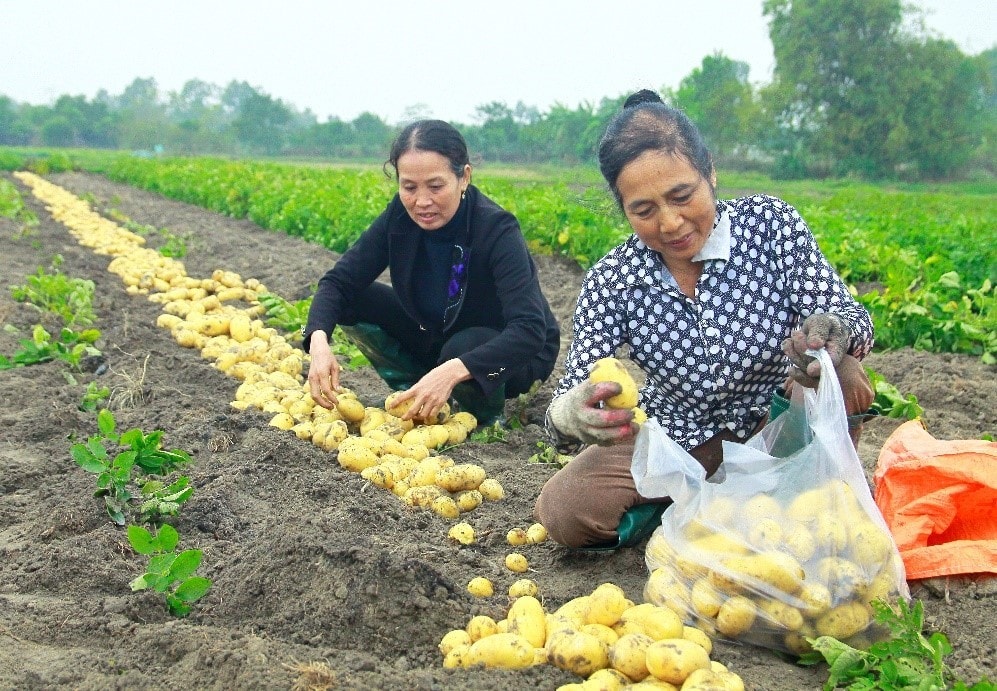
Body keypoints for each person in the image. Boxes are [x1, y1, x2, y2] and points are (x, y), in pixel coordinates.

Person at [533, 90, 875, 549]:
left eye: (682, 195)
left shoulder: (771, 226)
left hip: (775, 426)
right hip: (678, 439)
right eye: (644, 210)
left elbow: (850, 315)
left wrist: (835, 331)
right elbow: (572, 395)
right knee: (565, 510)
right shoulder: (614, 280)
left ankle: (813, 488)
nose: (671, 223)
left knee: (847, 373)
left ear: (709, 171)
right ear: (623, 208)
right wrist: (570, 413)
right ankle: (702, 508)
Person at [302, 119, 560, 426]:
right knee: (356, 298)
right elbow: (339, 282)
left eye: (435, 186)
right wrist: (318, 342)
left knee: (462, 347)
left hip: (508, 356)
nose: (422, 202)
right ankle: (419, 387)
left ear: (464, 177)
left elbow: (530, 330)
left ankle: (480, 412)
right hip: (441, 333)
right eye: (409, 187)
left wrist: (454, 369)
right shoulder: (399, 216)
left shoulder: (495, 229)